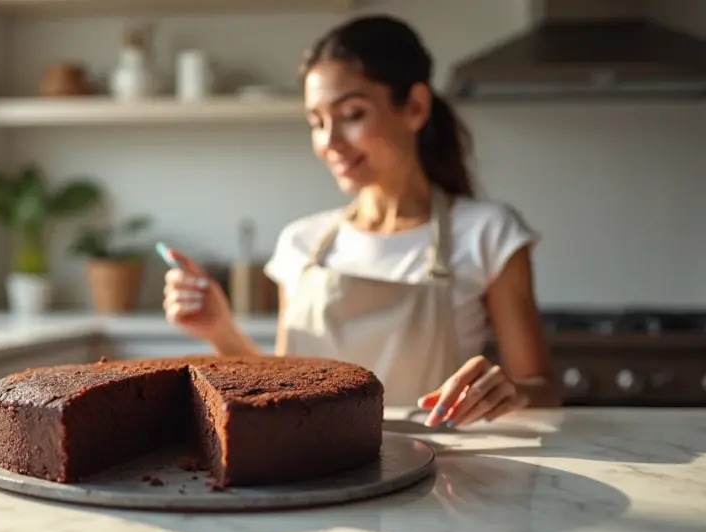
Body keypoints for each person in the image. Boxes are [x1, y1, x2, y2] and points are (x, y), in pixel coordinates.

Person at [161, 15, 561, 428]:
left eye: (351, 114)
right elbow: (280, 390)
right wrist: (220, 329)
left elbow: (542, 388)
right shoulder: (302, 243)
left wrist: (509, 390)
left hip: (440, 480)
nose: (329, 142)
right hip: (316, 472)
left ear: (415, 107)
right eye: (316, 121)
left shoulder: (488, 233)